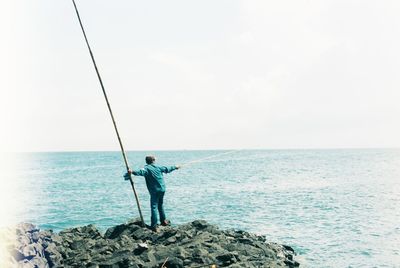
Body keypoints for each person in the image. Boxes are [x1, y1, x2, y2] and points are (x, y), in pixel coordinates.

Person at [127, 156, 180, 232]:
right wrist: (175, 167)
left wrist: (132, 172)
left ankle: (154, 225)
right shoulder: (158, 167)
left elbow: (140, 172)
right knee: (160, 204)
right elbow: (167, 169)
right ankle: (163, 221)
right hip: (162, 189)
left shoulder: (146, 168)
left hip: (155, 191)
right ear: (153, 160)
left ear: (146, 161)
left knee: (154, 206)